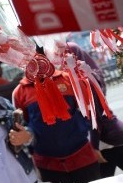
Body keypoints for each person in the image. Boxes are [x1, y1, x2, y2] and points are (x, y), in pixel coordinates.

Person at [12, 53, 101, 183]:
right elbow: (25, 126)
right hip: (48, 165)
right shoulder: (20, 92)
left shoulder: (68, 79)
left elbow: (89, 113)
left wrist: (95, 145)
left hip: (82, 157)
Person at [67, 42, 123, 177]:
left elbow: (93, 113)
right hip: (99, 143)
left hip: (108, 139)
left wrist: (93, 146)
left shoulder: (87, 80)